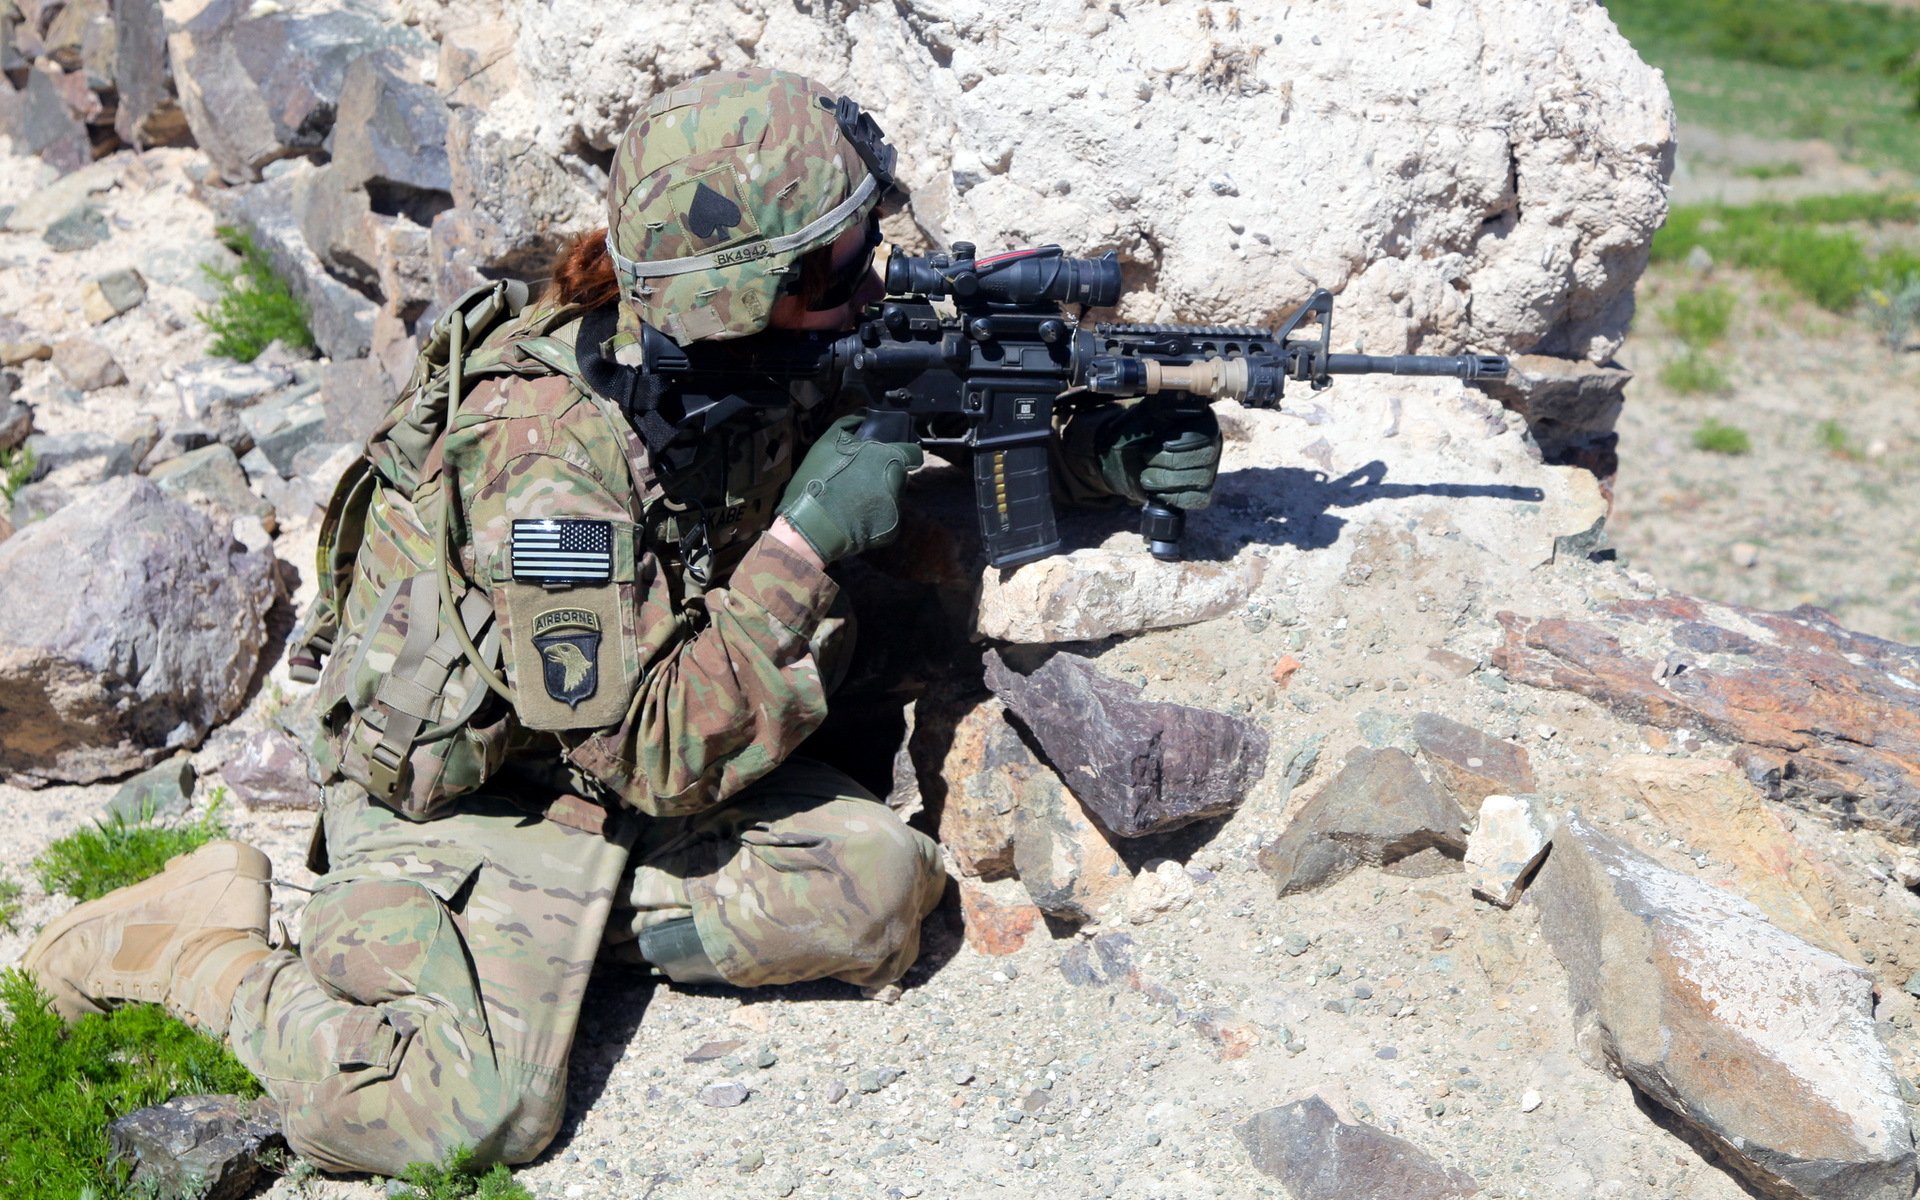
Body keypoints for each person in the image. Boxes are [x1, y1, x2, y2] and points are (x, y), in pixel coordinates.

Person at [23, 66, 1222, 1176]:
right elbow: (646, 753)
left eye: (866, 252)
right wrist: (800, 549)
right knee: (472, 1110)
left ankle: (531, 948)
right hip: (474, 792)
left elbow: (909, 427)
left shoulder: (750, 357)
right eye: (835, 274)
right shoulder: (547, 458)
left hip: (608, 764)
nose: (871, 289)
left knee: (876, 894)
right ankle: (202, 947)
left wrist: (1084, 458)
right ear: (741, 293)